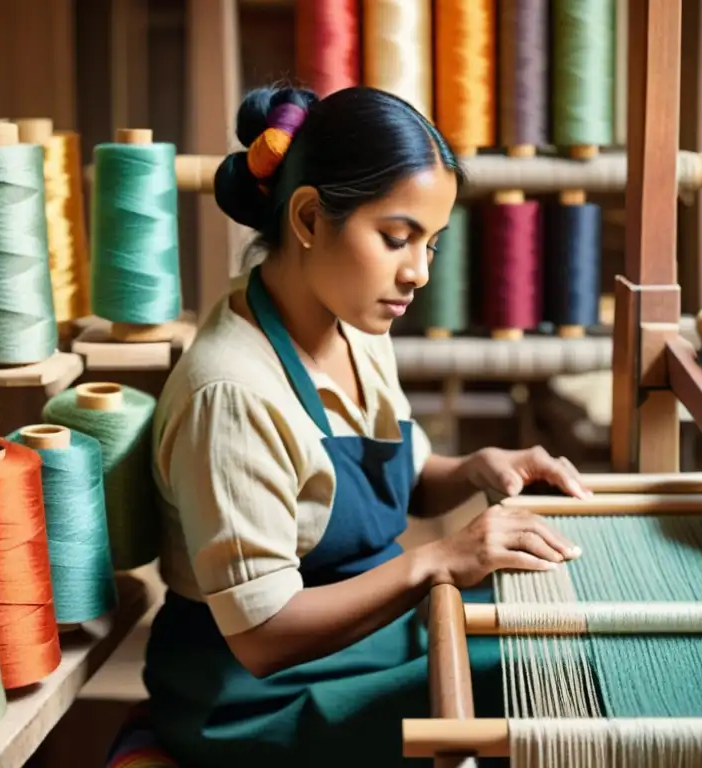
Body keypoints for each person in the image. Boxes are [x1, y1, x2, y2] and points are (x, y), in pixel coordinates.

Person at [143, 84, 590, 767]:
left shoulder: (356, 328)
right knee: (563, 688)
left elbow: (399, 481)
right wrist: (437, 560)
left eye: (432, 245)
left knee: (569, 643)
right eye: (396, 238)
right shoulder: (231, 395)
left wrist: (475, 469)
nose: (417, 273)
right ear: (309, 217)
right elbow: (262, 635)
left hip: (369, 642)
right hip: (258, 697)